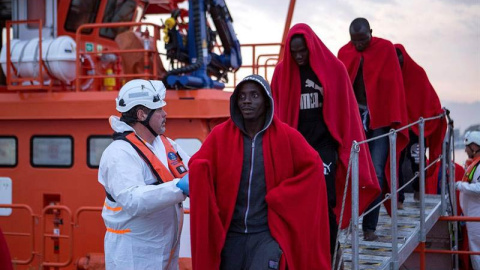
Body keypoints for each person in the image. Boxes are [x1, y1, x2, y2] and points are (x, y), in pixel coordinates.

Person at [189, 75, 331, 270]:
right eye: (242, 96)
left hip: (266, 233)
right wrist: (198, 172)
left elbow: (314, 167)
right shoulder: (220, 135)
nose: (247, 100)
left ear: (267, 101)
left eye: (254, 95)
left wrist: (280, 196)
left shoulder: (286, 136)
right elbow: (197, 163)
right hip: (232, 234)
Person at [270, 23, 380, 263]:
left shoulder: (332, 69)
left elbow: (346, 110)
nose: (299, 56)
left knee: (326, 201)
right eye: (294, 52)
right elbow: (275, 114)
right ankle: (303, 253)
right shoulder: (282, 73)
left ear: (311, 47)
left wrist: (345, 146)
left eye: (303, 51)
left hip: (324, 148)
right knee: (297, 202)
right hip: (297, 148)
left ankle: (332, 253)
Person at [98, 79, 190, 269]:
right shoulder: (119, 153)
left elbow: (195, 166)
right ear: (142, 114)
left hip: (164, 254)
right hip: (134, 257)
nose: (165, 114)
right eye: (159, 110)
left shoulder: (166, 144)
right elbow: (133, 200)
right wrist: (179, 187)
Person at [338, 18, 409, 241]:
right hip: (355, 119)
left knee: (376, 172)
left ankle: (369, 228)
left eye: (363, 39)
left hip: (380, 121)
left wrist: (393, 119)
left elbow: (393, 86)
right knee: (351, 171)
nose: (359, 45)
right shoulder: (344, 53)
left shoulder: (385, 49)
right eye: (354, 40)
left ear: (371, 32)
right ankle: (349, 222)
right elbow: (340, 87)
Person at [394, 44, 446, 204]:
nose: (398, 61)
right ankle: (399, 198)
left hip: (417, 127)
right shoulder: (392, 76)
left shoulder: (417, 73)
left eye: (400, 57)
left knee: (417, 159)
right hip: (398, 126)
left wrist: (437, 111)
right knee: (396, 161)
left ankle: (418, 191)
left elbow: (429, 96)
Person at [456, 131, 480, 269]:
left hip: (476, 218)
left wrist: (460, 186)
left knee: (476, 253)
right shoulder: (475, 165)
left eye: (467, 146)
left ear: (475, 147)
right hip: (472, 216)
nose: (465, 150)